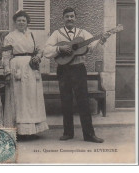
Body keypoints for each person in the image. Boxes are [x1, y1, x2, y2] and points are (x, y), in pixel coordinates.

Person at [43, 7, 110, 143]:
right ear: (63, 18)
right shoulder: (57, 33)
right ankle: (68, 132)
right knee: (66, 101)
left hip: (79, 69)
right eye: (67, 16)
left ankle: (89, 135)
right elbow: (46, 51)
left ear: (75, 18)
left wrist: (102, 40)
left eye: (72, 16)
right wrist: (59, 48)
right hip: (63, 69)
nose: (70, 19)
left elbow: (92, 47)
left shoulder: (82, 33)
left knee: (83, 101)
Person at [3, 11, 48, 137]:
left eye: (23, 20)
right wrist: (6, 71)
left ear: (27, 22)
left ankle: (32, 129)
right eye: (19, 20)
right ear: (15, 22)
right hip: (17, 67)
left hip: (31, 67)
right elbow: (6, 56)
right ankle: (18, 128)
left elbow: (40, 50)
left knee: (31, 96)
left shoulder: (32, 35)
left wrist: (38, 57)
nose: (21, 22)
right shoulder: (10, 37)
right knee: (19, 96)